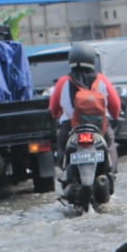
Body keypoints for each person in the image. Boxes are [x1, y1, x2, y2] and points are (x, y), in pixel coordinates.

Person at [48, 42, 121, 176]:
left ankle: (62, 176)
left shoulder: (63, 82)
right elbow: (115, 106)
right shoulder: (102, 80)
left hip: (70, 127)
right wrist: (115, 117)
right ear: (92, 60)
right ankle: (111, 173)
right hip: (100, 127)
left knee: (62, 150)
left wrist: (57, 115)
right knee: (110, 145)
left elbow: (53, 109)